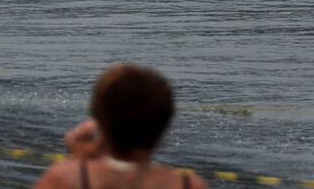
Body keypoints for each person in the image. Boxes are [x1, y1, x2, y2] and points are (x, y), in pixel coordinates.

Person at [35, 64, 209, 189]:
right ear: (164, 123)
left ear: (100, 122)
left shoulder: (65, 179)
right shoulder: (189, 184)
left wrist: (78, 162)